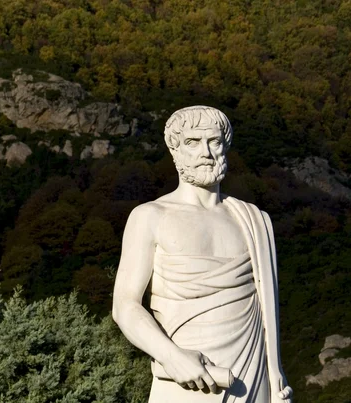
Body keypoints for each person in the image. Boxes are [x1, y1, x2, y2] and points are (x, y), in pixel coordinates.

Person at [112, 106, 293, 402]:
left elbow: (265, 313)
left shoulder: (254, 220)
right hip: (188, 378)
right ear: (175, 150)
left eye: (215, 142)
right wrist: (171, 356)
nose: (206, 152)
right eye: (192, 142)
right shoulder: (150, 216)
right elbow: (124, 305)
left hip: (253, 375)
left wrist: (277, 374)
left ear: (226, 147)